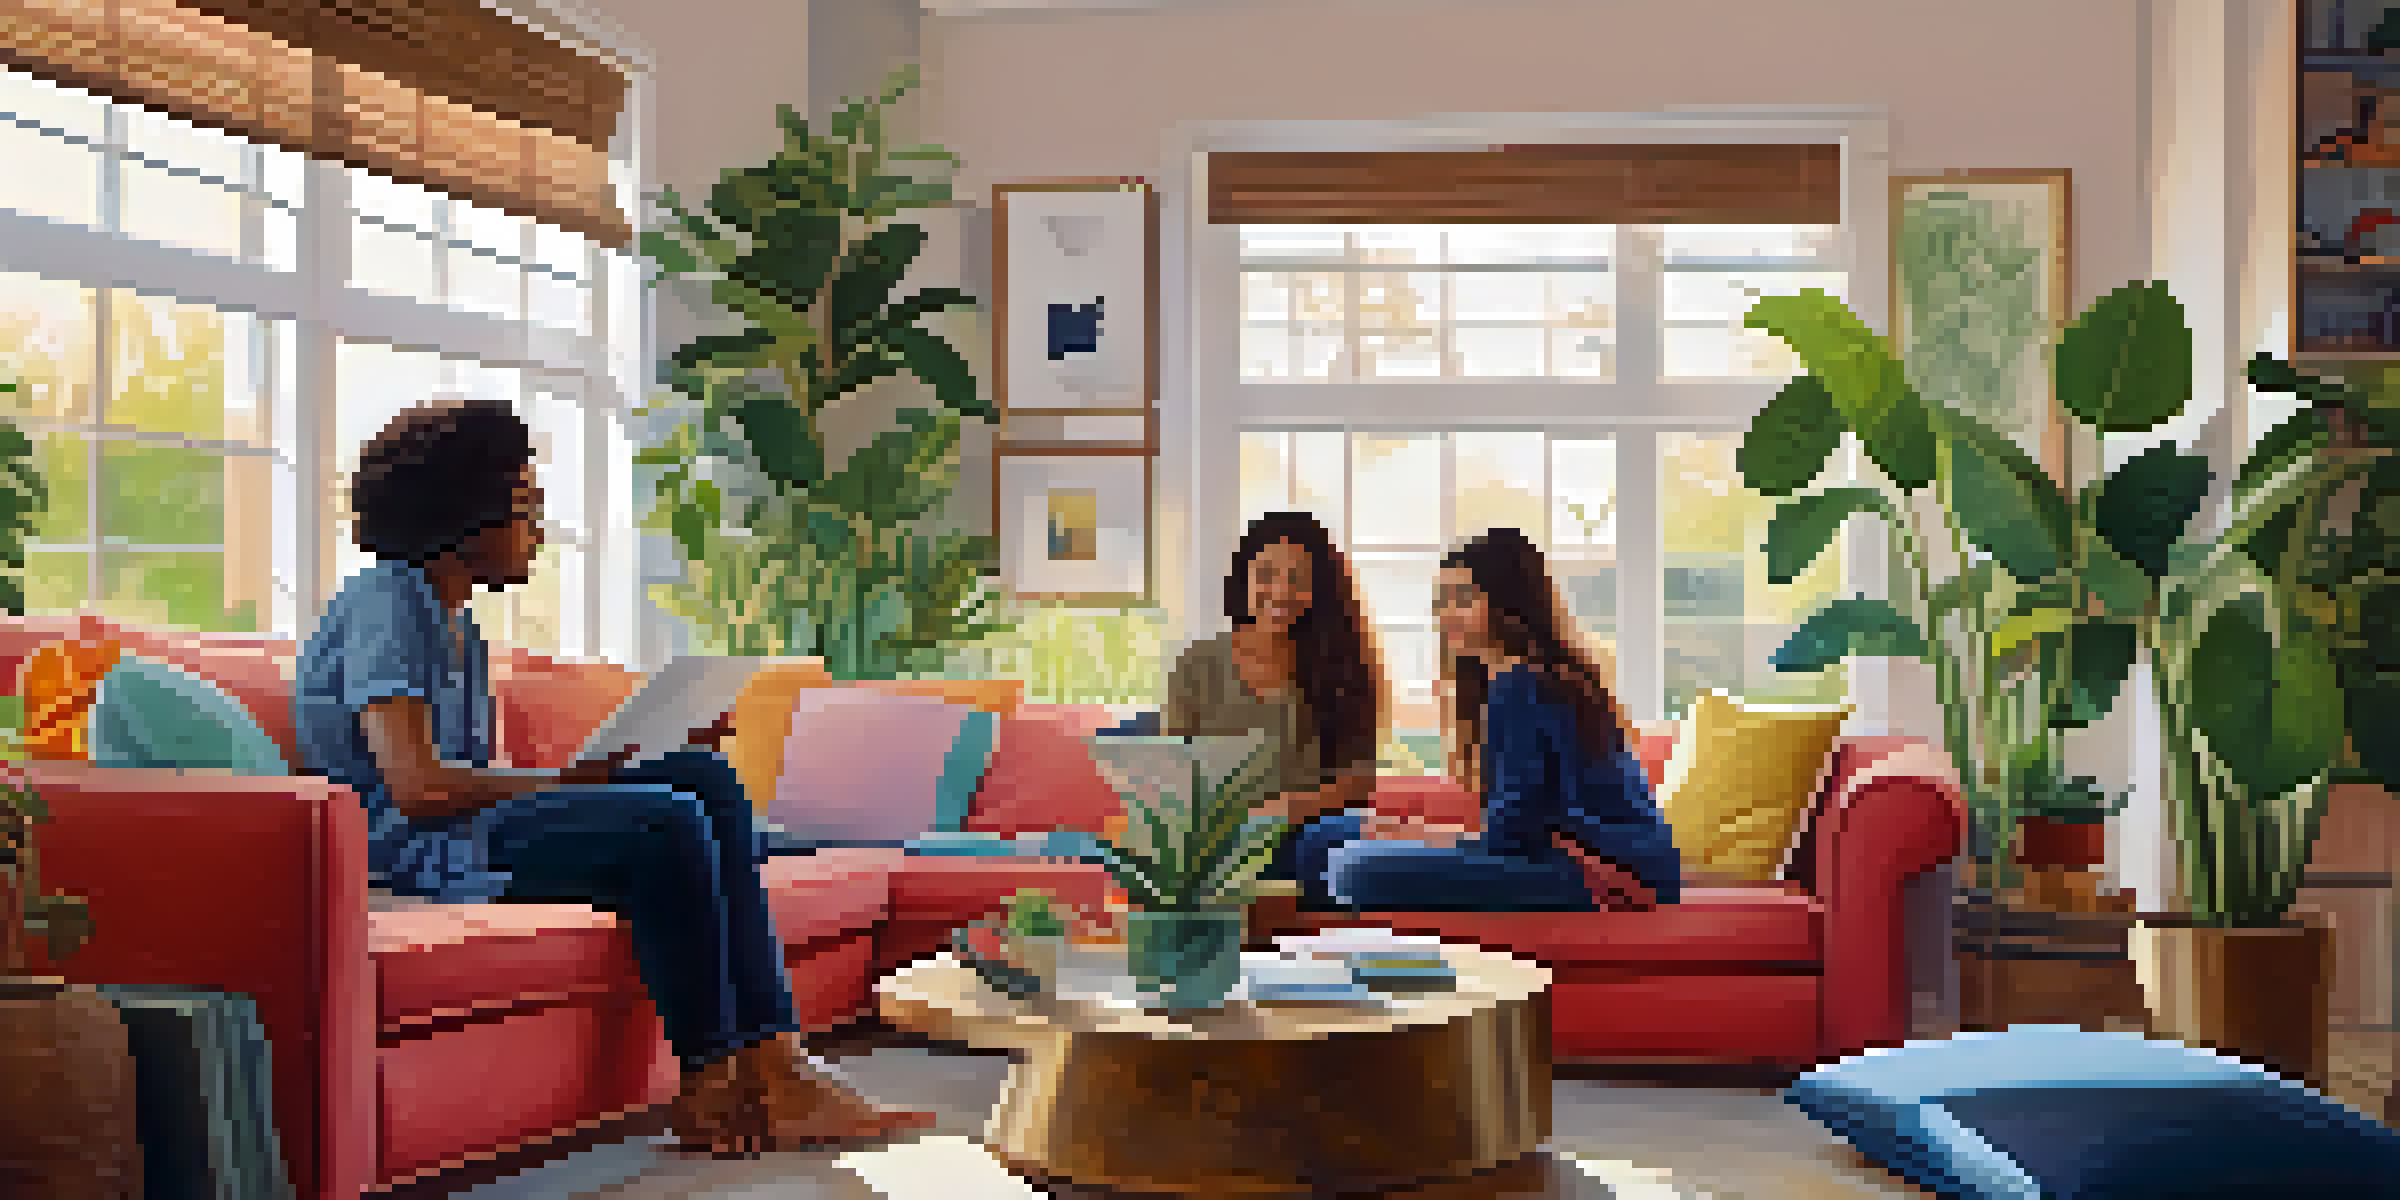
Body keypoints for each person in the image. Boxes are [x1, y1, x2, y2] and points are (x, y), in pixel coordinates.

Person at [293, 396, 935, 1157]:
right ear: (459, 516)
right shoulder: (388, 603)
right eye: (525, 506)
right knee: (664, 821)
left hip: (464, 832)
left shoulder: (452, 619)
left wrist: (611, 767)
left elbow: (469, 781)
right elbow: (418, 788)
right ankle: (708, 1083)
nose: (540, 528)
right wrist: (574, 784)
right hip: (418, 850)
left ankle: (778, 1063)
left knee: (701, 777)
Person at [1320, 527, 1684, 911]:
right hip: (1569, 858)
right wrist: (1418, 835)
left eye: (1463, 599)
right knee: (1331, 841)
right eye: (1441, 601)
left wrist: (1422, 835)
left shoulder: (1523, 683)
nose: (1447, 614)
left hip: (1605, 870)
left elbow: (1512, 836)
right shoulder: (1512, 680)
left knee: (1351, 866)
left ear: (1507, 602)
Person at [1163, 511, 1386, 908]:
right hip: (1221, 839)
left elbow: (1358, 780)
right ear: (1243, 579)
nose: (1280, 591)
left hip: (1305, 835)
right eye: (1266, 574)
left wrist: (1292, 807)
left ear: (1318, 590)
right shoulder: (1197, 666)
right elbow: (1171, 774)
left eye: (1298, 579)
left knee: (1334, 847)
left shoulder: (1343, 665)